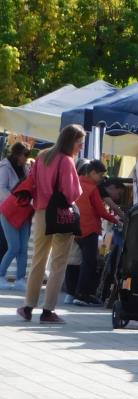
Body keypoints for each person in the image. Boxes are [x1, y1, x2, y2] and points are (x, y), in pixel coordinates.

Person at [17, 125, 84, 325]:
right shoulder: (67, 161)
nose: (80, 147)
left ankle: (28, 306)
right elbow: (72, 192)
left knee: (38, 260)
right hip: (61, 214)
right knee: (58, 263)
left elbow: (31, 182)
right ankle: (48, 311)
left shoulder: (43, 156)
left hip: (41, 211)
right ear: (71, 141)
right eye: (79, 143)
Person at [68, 160, 121, 306]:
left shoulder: (76, 182)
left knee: (74, 261)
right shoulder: (92, 188)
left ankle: (72, 293)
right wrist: (117, 221)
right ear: (92, 173)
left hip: (74, 228)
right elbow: (101, 211)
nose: (102, 178)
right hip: (89, 228)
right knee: (89, 263)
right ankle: (82, 294)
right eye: (100, 175)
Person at [0, 142, 30, 290]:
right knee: (14, 246)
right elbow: (1, 188)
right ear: (17, 154)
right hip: (9, 211)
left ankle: (20, 279)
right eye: (26, 154)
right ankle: (0, 275)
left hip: (24, 211)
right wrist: (15, 201)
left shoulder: (26, 168)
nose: (27, 157)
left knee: (23, 247)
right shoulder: (5, 167)